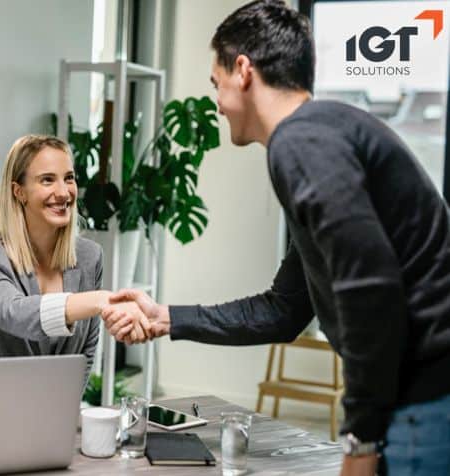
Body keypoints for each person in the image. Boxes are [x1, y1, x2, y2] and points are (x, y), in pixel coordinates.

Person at [103, 1, 450, 475]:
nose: (218, 103)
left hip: (427, 398)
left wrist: (360, 440)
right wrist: (164, 317)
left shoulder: (301, 142)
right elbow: (283, 310)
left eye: (215, 84)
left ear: (243, 70)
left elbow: (369, 288)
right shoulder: (323, 138)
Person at [0, 135, 146, 382]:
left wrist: (65, 411)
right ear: (19, 192)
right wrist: (101, 300)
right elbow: (13, 313)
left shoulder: (89, 256)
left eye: (68, 178)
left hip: (58, 413)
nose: (63, 192)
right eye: (47, 180)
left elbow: (85, 353)